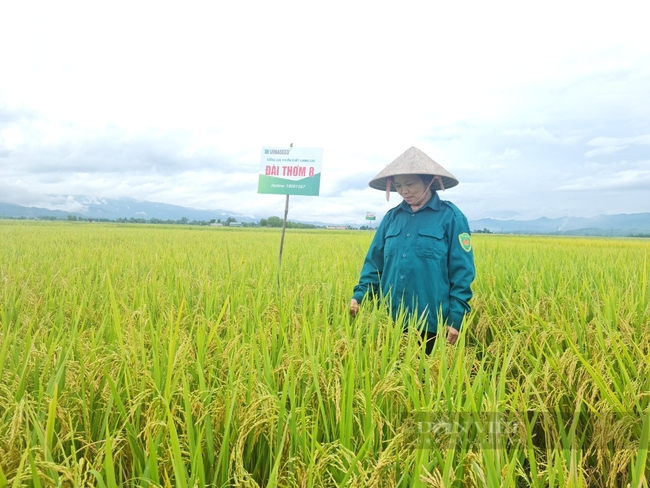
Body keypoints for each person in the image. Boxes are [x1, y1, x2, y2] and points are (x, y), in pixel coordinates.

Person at [350, 147, 475, 354]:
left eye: (410, 184)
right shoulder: (391, 218)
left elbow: (462, 272)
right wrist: (360, 296)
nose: (403, 191)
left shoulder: (451, 217)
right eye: (398, 185)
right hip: (390, 318)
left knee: (427, 380)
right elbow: (374, 262)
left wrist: (456, 317)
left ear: (429, 182)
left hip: (432, 322)